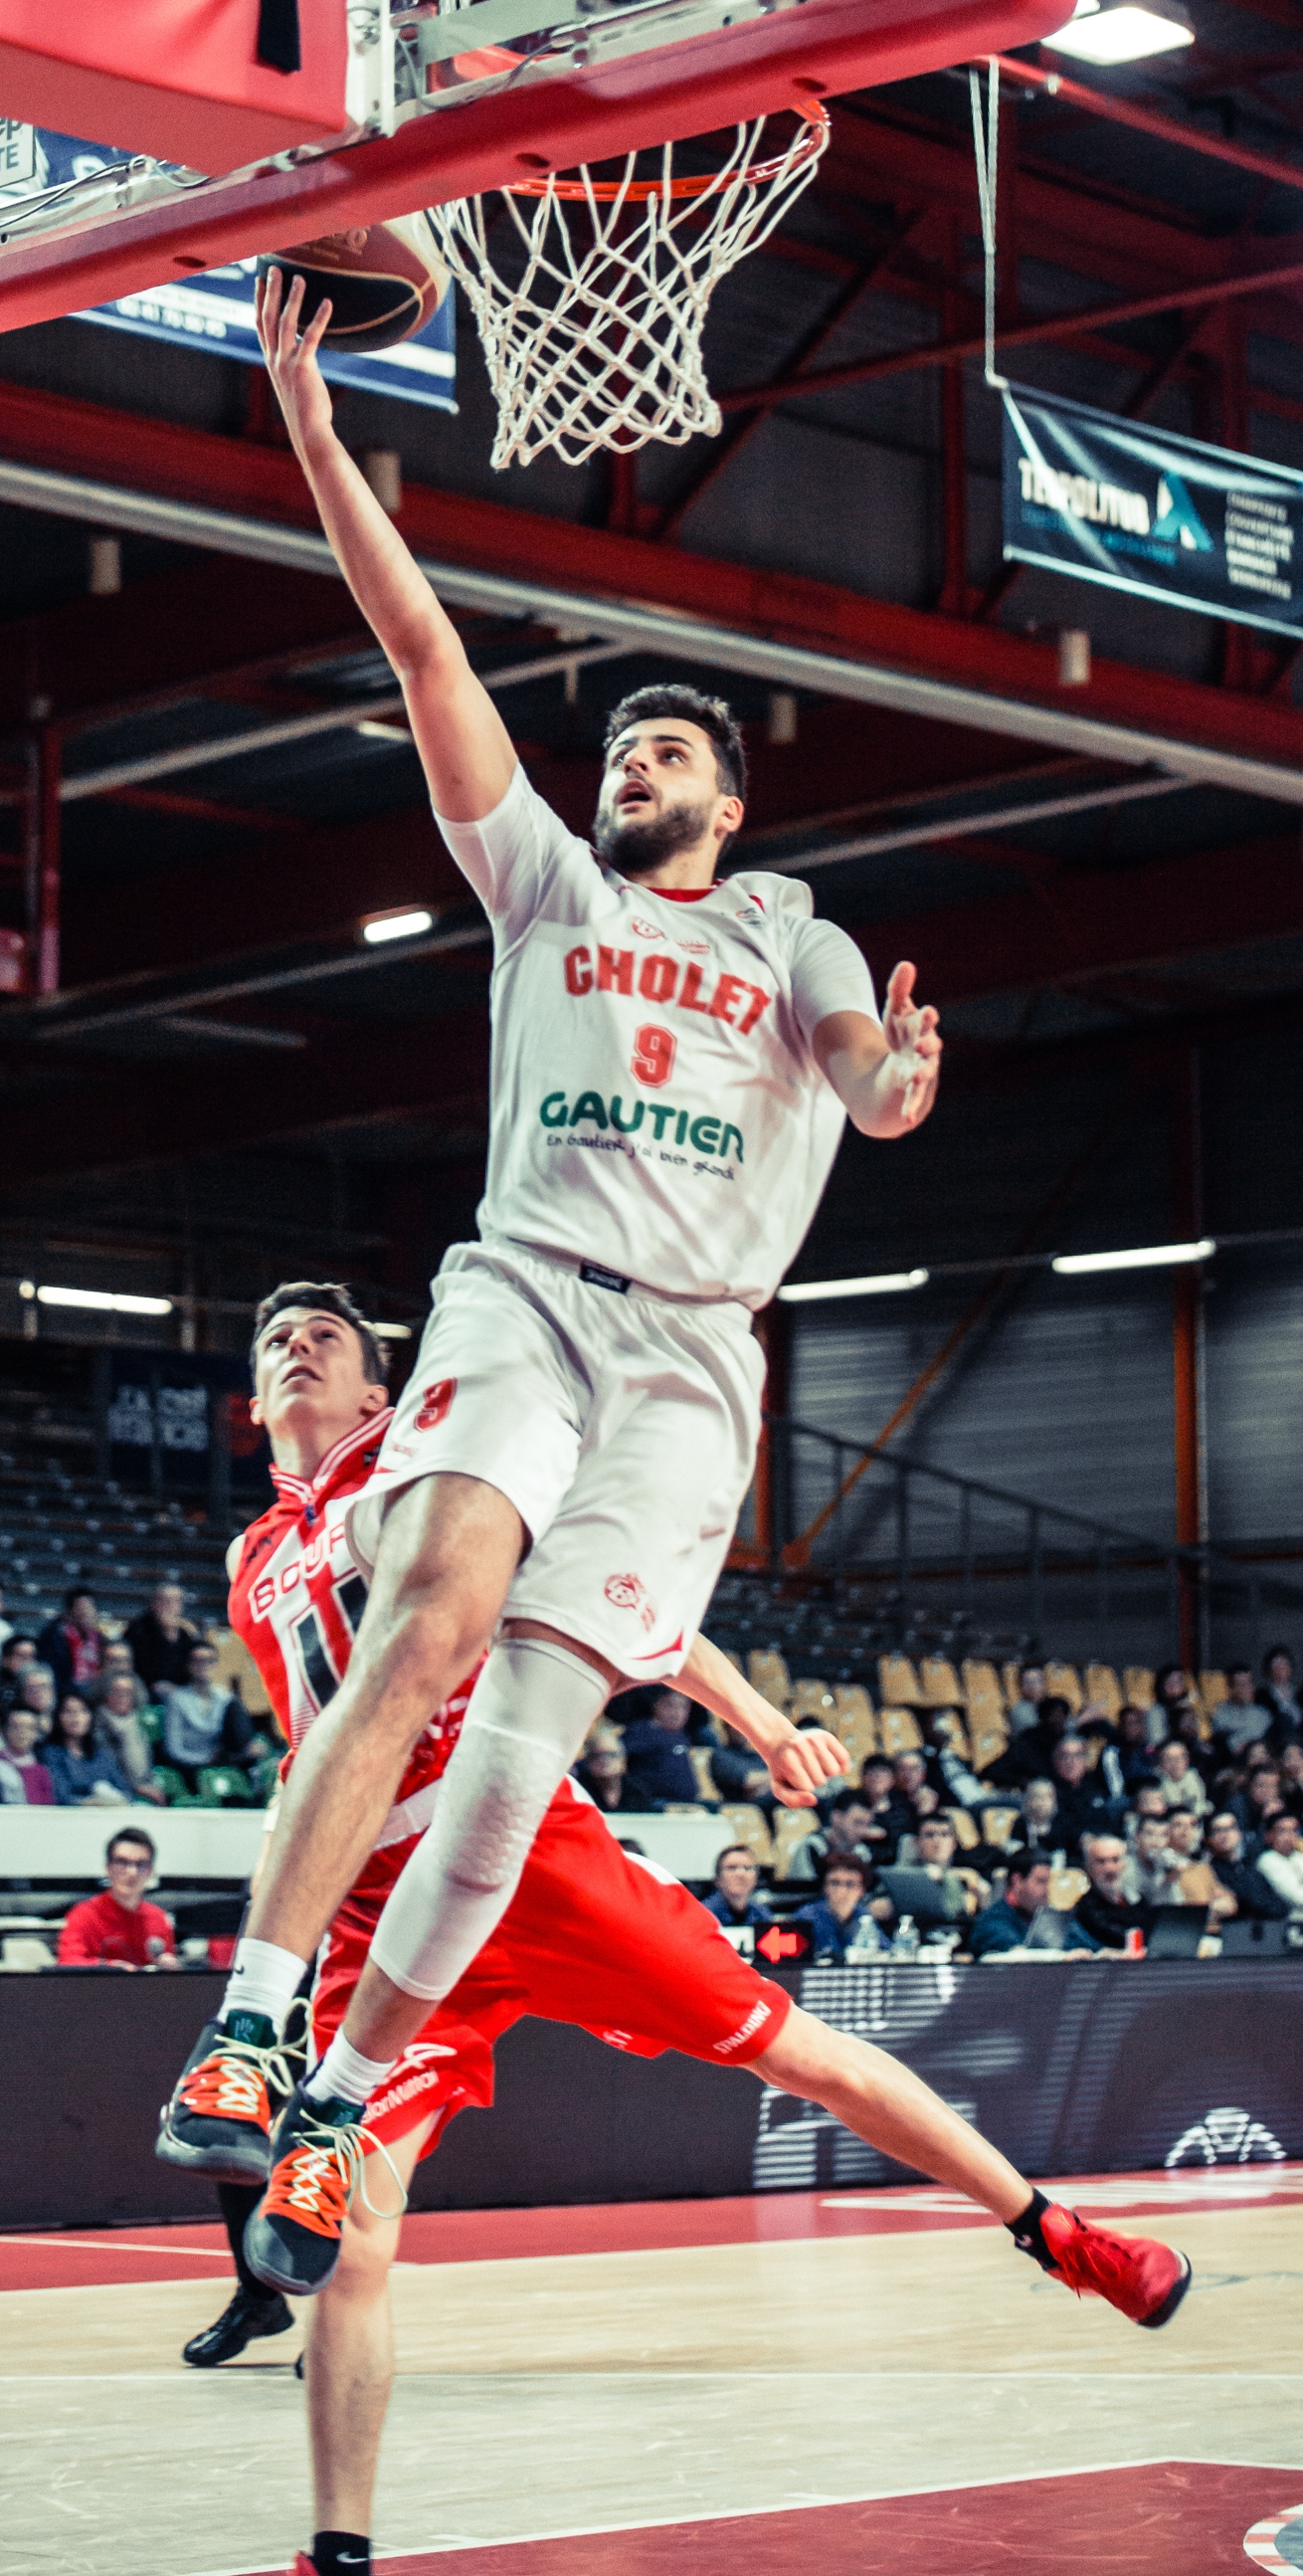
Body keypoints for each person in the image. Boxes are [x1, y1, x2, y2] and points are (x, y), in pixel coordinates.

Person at [163, 266, 952, 2273]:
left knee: (518, 1755)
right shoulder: (541, 883)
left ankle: (347, 2090)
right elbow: (421, 643)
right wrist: (324, 441)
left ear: (733, 800)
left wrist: (888, 1091)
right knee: (429, 1612)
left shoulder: (788, 927)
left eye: (677, 749)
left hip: (695, 1362)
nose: (640, 763)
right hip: (531, 1285)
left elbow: (860, 1074)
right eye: (629, 747)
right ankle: (251, 2029)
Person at [156, 1283, 1189, 2525]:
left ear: (378, 1390)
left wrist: (758, 1722)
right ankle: (334, 2568)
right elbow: (314, 1748)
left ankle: (1057, 2234)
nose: (296, 1348)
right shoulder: (249, 1556)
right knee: (354, 2236)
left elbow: (613, 1594)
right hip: (382, 1900)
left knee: (804, 2056)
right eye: (276, 1341)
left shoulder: (429, 1460)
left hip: (526, 1849)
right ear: (255, 1402)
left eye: (325, 1336)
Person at [59, 1829, 178, 1966]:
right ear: (108, 1868)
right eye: (122, 1862)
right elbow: (67, 1963)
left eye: (141, 1864)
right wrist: (109, 1969)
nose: (132, 1872)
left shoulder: (159, 1918)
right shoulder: (83, 1915)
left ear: (151, 1871)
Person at [970, 1850, 1096, 1958]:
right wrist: (1062, 1957)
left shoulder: (1049, 1917)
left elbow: (1085, 1944)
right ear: (1017, 1880)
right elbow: (1017, 1954)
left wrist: (1099, 1953)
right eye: (1041, 1881)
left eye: (1048, 1882)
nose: (1047, 1889)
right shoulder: (991, 1921)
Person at [159, 1642, 249, 1786]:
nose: (204, 1665)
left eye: (209, 1660)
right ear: (189, 1665)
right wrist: (206, 1760)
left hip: (221, 1762)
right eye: (198, 1660)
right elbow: (174, 1750)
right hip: (189, 1767)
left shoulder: (225, 1698)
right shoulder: (177, 1699)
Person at [620, 1684, 707, 1808]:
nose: (677, 1712)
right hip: (655, 1803)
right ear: (656, 1704)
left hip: (686, 1804)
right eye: (670, 1705)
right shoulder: (643, 1730)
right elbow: (617, 1754)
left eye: (683, 1707)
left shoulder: (682, 1735)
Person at [41, 1688, 132, 1804]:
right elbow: (61, 1796)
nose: (76, 1717)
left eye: (83, 1711)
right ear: (58, 1717)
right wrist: (90, 1802)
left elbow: (125, 1792)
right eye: (69, 1711)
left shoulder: (102, 1755)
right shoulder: (51, 1754)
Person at [797, 1852, 888, 1963]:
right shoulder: (806, 1916)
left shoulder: (863, 1915)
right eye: (835, 1883)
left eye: (850, 1884)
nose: (841, 1891)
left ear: (861, 1890)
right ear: (824, 1887)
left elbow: (886, 1951)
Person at [1069, 1835, 1152, 1954]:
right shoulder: (1084, 1907)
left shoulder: (1137, 1901)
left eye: (1115, 1860)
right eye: (1101, 1861)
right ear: (1088, 1868)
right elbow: (1113, 1937)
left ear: (1125, 1864)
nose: (1110, 1868)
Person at [1203, 1809, 1289, 1923]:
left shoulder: (1250, 1866)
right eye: (1218, 1830)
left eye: (1230, 1828)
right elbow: (1247, 1902)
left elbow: (1280, 1905)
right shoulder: (1209, 1870)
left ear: (1239, 1834)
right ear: (1209, 1839)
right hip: (1236, 1931)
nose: (1225, 1834)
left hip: (1269, 1927)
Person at [94, 1666, 165, 1802]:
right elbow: (108, 1770)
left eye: (128, 1692)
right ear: (106, 1694)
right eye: (117, 1691)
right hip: (116, 1793)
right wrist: (138, 1788)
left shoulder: (137, 1726)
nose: (123, 1697)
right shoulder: (98, 1728)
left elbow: (147, 1766)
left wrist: (150, 1786)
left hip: (143, 1789)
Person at [38, 1586, 106, 1705]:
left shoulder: (98, 1637)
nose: (86, 1612)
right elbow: (51, 1671)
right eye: (81, 1608)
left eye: (90, 1607)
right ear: (70, 1611)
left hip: (94, 1690)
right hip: (65, 1693)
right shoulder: (54, 1635)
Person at [127, 1582, 202, 1692]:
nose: (170, 1606)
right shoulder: (138, 1629)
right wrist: (166, 1637)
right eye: (165, 1601)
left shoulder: (186, 1633)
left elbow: (191, 1669)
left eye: (176, 1601)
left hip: (179, 1692)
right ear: (154, 1604)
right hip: (144, 1690)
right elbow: (141, 1667)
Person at [702, 1844, 773, 1946]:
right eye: (732, 1868)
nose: (740, 1874)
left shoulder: (762, 1914)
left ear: (756, 1879)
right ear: (718, 1879)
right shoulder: (703, 1915)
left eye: (747, 1868)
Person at [572, 1725, 652, 1815]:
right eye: (597, 1756)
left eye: (611, 1755)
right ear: (588, 1761)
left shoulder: (636, 1790)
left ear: (623, 1760)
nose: (604, 1761)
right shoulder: (578, 1790)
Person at [0, 1704, 56, 1805]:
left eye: (29, 1728)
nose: (22, 1732)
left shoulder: (41, 1771)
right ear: (4, 1730)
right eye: (16, 1727)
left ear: (36, 1733)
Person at [1153, 1736, 1208, 1823]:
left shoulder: (1193, 1776)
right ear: (1161, 1762)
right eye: (1170, 1759)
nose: (1176, 1762)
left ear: (1187, 1760)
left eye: (1180, 1757)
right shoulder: (1155, 1783)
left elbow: (1199, 1803)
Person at [1258, 1647, 1303, 1742]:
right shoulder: (1262, 1695)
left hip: (1300, 1735)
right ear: (1268, 1669)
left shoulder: (1301, 1693)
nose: (1281, 1667)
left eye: (1285, 1663)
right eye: (1277, 1663)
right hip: (1276, 1739)